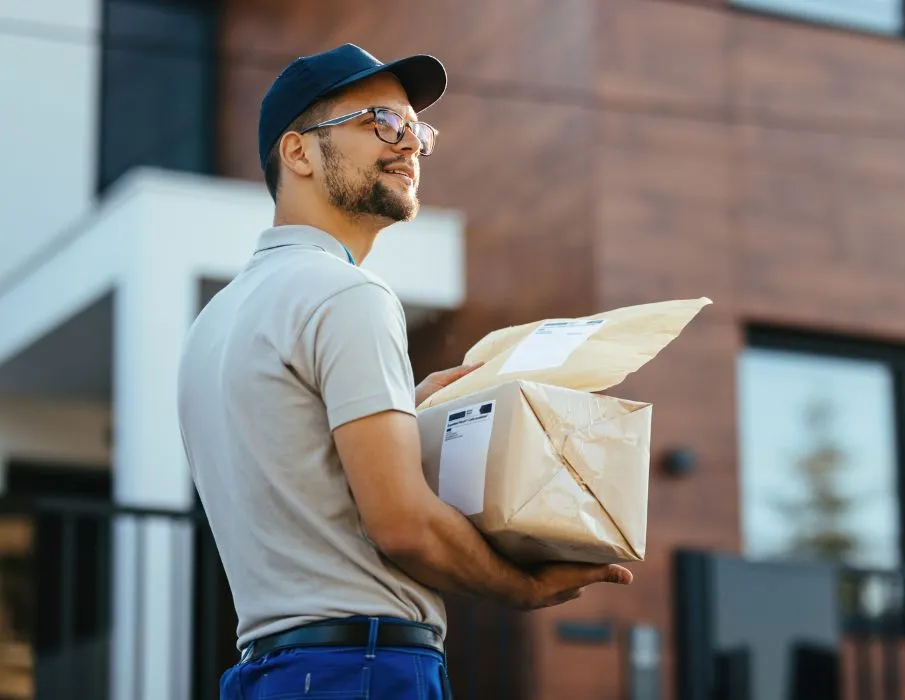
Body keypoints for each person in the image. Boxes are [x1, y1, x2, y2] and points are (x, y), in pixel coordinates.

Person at [177, 43, 632, 700]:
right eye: (379, 123)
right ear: (299, 152)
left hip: (266, 674)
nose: (409, 145)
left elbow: (298, 473)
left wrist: (399, 410)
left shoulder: (215, 321)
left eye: (416, 130)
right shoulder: (347, 295)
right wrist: (523, 587)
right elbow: (402, 524)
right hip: (361, 669)